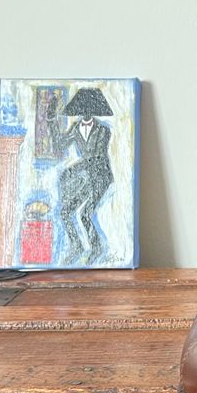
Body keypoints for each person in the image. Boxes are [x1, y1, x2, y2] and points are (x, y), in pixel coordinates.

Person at [47, 88, 114, 265]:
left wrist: (74, 171)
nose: (85, 112)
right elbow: (60, 144)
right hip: (86, 176)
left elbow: (95, 157)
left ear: (94, 110)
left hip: (100, 176)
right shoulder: (76, 127)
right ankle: (76, 246)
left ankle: (96, 246)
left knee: (85, 214)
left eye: (88, 108)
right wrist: (51, 119)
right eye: (82, 109)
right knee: (66, 211)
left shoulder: (103, 130)